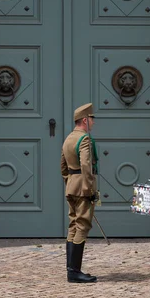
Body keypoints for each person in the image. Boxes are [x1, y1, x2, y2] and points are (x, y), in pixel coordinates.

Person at [60, 103, 99, 283]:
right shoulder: (84, 139)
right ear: (85, 120)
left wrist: (70, 183)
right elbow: (86, 165)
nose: (93, 123)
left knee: (73, 225)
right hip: (83, 188)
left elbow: (63, 166)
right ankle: (74, 271)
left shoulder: (68, 138)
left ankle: (71, 269)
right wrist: (90, 189)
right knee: (82, 226)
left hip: (72, 186)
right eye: (91, 119)